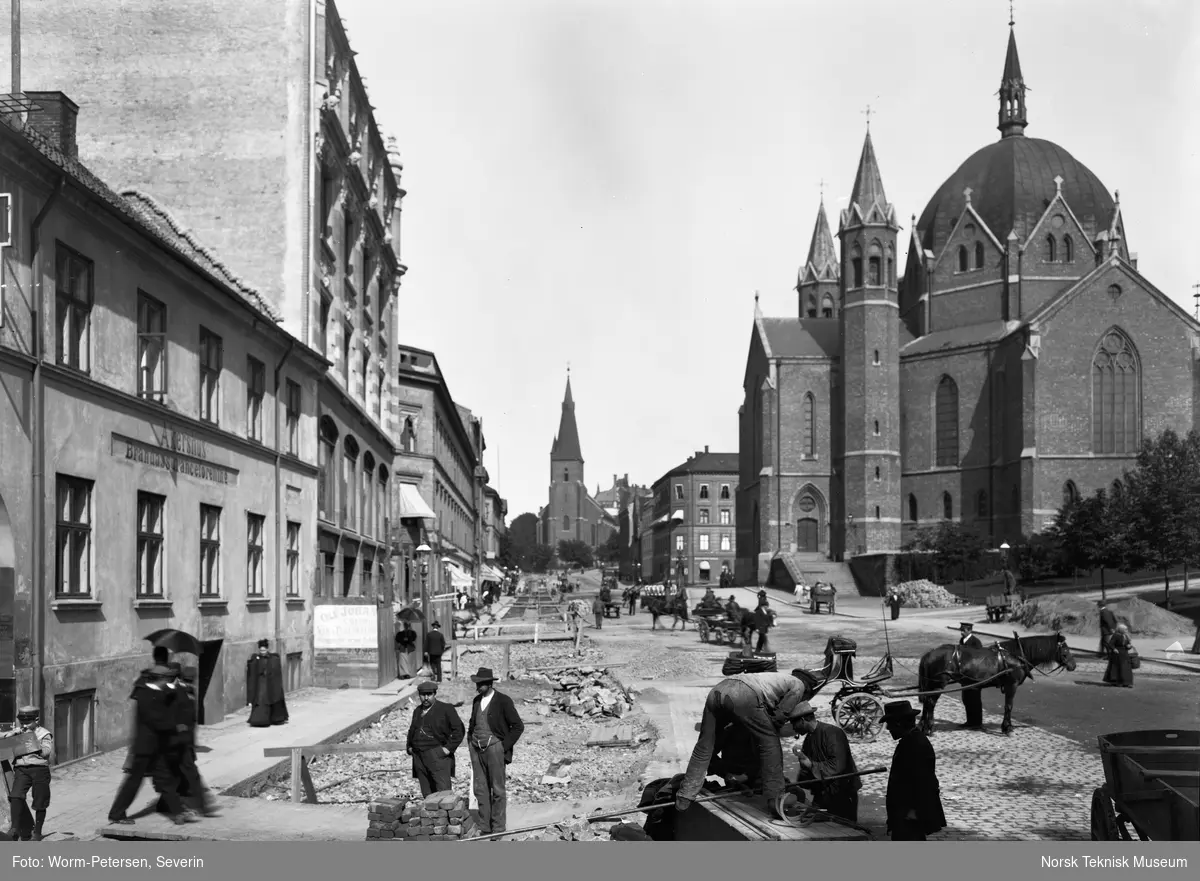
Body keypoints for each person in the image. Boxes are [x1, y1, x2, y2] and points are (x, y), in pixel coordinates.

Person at [675, 671, 815, 819]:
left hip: (718, 690)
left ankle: (685, 796)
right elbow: (778, 718)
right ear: (807, 689)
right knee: (770, 744)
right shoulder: (798, 685)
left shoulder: (773, 680)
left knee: (704, 745)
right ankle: (775, 800)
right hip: (742, 694)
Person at [108, 665, 196, 826]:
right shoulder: (145, 694)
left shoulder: (157, 691)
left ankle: (178, 813)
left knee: (165, 779)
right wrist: (176, 726)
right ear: (159, 679)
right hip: (145, 747)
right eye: (167, 679)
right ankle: (116, 813)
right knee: (134, 782)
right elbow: (156, 719)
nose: (168, 681)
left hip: (157, 746)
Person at [466, 667, 525, 836]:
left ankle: (498, 828)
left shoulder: (503, 701)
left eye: (479, 684)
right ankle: (485, 826)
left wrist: (502, 747)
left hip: (495, 749)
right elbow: (472, 723)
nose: (477, 687)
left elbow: (518, 726)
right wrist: (470, 741)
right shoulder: (477, 701)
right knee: (480, 789)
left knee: (497, 790)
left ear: (489, 684)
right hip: (476, 749)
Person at [880, 701, 946, 841]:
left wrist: (914, 811)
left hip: (909, 816)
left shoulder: (916, 744)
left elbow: (925, 782)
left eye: (889, 723)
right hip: (903, 814)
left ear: (898, 723)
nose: (888, 728)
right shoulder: (909, 741)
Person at [159, 664, 218, 817]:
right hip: (176, 742)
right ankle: (203, 806)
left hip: (183, 742)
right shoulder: (171, 692)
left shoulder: (186, 691)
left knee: (179, 775)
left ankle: (167, 803)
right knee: (187, 775)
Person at [790, 702, 862, 823]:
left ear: (802, 720)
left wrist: (810, 765)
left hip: (842, 793)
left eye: (794, 723)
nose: (793, 728)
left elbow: (837, 766)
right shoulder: (808, 739)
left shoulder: (833, 733)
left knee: (845, 830)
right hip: (822, 794)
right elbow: (807, 774)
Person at [406, 681, 465, 797]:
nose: (426, 698)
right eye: (423, 695)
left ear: (434, 694)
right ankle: (430, 815)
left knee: (443, 794)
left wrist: (447, 749)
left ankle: (445, 815)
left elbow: (459, 730)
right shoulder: (417, 711)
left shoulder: (446, 709)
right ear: (419, 695)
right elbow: (412, 730)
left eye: (429, 694)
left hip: (437, 755)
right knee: (427, 794)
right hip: (419, 757)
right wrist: (409, 747)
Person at [6, 705, 53, 841]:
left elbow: (46, 752)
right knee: (15, 796)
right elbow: (4, 737)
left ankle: (37, 832)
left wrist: (32, 743)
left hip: (39, 769)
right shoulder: (19, 731)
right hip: (22, 769)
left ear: (36, 720)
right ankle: (14, 829)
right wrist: (10, 736)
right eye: (22, 722)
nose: (24, 725)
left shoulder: (44, 734)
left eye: (28, 722)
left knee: (40, 801)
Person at [246, 639, 289, 727]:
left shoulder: (273, 658)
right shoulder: (256, 658)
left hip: (270, 683)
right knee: (261, 700)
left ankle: (275, 719)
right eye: (261, 650)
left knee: (273, 698)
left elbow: (276, 671)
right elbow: (252, 671)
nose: (262, 652)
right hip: (261, 683)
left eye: (264, 650)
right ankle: (260, 720)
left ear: (267, 649)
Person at [957, 622, 985, 729]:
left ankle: (977, 723)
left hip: (975, 676)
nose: (961, 632)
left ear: (969, 630)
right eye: (961, 630)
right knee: (966, 698)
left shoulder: (976, 642)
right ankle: (969, 721)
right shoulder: (962, 641)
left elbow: (980, 659)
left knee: (975, 699)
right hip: (965, 675)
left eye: (963, 630)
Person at [1103, 623, 1135, 688]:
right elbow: (1110, 644)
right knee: (1118, 669)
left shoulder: (1126, 636)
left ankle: (1127, 682)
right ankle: (1118, 682)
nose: (1126, 630)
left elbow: (1127, 644)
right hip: (1117, 654)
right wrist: (1114, 649)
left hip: (1125, 654)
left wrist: (1129, 646)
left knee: (1126, 668)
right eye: (1125, 629)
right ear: (1121, 630)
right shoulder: (1116, 635)